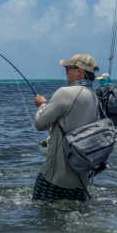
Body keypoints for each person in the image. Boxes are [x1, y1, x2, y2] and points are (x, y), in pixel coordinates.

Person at [32, 53, 100, 201]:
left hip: (54, 179)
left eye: (68, 68)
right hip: (81, 181)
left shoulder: (65, 93)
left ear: (79, 71)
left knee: (41, 219)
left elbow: (40, 124)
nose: (66, 73)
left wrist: (42, 104)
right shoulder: (94, 97)